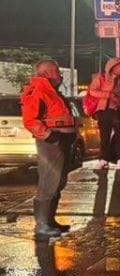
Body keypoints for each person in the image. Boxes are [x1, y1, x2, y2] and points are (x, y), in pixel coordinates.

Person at [21, 60, 78, 241]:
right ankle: (43, 225)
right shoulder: (38, 91)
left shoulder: (51, 91)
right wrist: (49, 136)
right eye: (56, 71)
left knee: (58, 182)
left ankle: (49, 221)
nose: (60, 74)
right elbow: (30, 120)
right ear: (46, 73)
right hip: (51, 142)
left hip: (61, 140)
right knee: (49, 182)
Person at [86, 57, 120, 170]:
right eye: (119, 66)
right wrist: (108, 95)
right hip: (104, 110)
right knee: (104, 136)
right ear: (112, 67)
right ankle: (103, 159)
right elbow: (92, 91)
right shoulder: (101, 78)